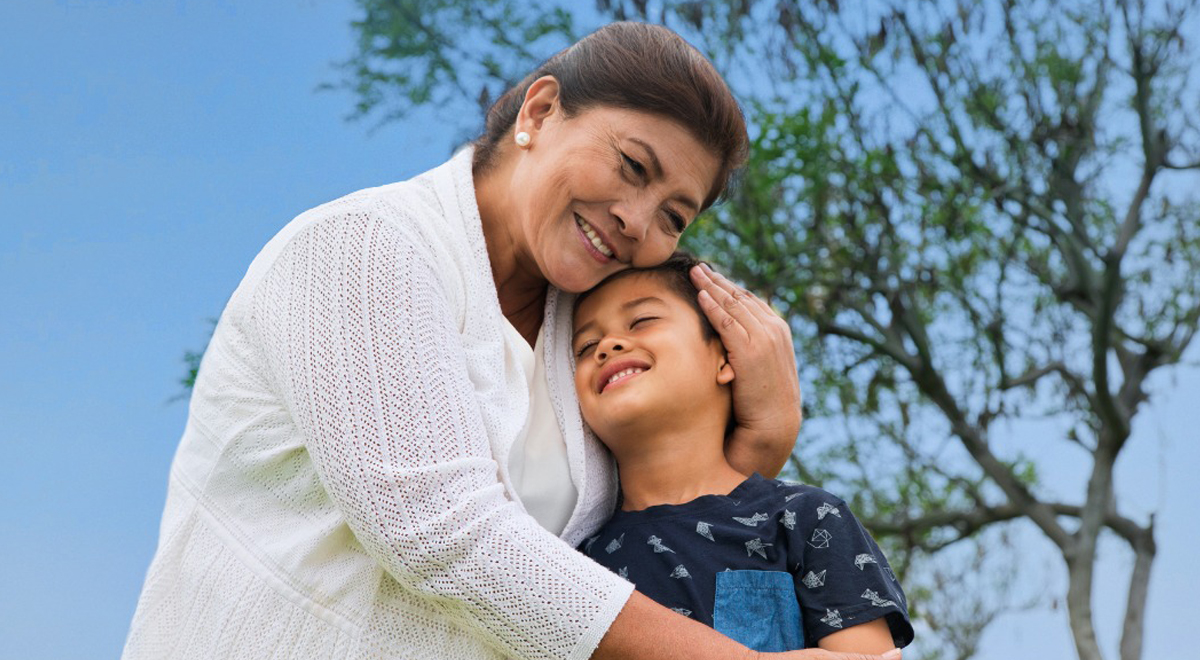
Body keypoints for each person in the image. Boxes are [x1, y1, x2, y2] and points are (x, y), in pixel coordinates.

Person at [121, 21, 896, 660]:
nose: (638, 220)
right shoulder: (362, 249)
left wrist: (754, 449)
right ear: (538, 112)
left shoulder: (578, 326)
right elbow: (447, 538)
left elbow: (646, 535)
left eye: (674, 216)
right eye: (632, 165)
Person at [572, 253, 914, 655]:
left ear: (724, 357)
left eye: (642, 320)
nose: (607, 346)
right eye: (585, 346)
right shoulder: (577, 563)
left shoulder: (807, 517)